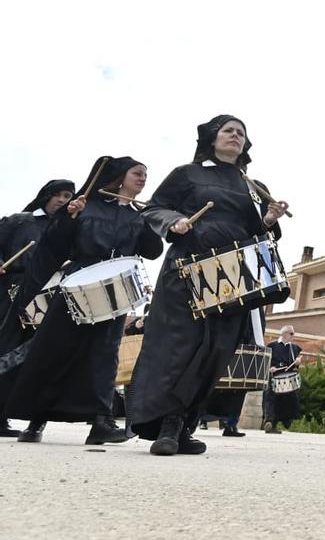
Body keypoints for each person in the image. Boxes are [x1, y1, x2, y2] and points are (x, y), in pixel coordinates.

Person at [126, 115, 289, 456]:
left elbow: (255, 235)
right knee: (181, 346)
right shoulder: (187, 173)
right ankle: (167, 424)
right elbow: (155, 209)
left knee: (217, 350)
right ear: (212, 138)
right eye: (228, 130)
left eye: (241, 133)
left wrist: (268, 221)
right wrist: (175, 222)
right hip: (187, 268)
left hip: (233, 277)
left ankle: (187, 425)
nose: (235, 136)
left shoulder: (250, 184)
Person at [5, 157, 162, 444]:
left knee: (105, 353)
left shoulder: (137, 215)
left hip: (115, 290)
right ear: (119, 177)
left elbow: (153, 251)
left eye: (145, 175)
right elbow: (55, 242)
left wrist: (147, 220)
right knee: (56, 350)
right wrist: (68, 216)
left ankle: (101, 422)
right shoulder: (86, 205)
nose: (143, 179)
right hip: (77, 282)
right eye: (137, 173)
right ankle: (37, 420)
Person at [0, 179, 74, 437]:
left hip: (46, 295)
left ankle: (14, 416)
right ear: (47, 196)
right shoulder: (20, 220)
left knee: (30, 354)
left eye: (69, 197)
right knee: (5, 348)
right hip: (9, 290)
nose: (64, 201)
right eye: (61, 195)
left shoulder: (65, 228)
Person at [263, 325, 302, 433]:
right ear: (284, 334)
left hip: (288, 377)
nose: (293, 336)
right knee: (271, 399)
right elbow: (266, 361)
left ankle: (280, 422)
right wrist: (271, 367)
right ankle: (269, 421)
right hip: (274, 376)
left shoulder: (294, 348)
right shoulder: (272, 346)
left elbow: (294, 365)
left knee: (286, 401)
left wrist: (297, 362)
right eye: (291, 333)